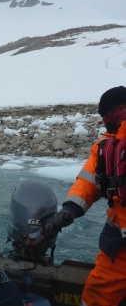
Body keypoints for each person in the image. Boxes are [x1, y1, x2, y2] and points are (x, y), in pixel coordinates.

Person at [28, 86, 126, 306]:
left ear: (121, 110)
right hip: (118, 243)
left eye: (107, 116)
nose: (104, 122)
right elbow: (88, 183)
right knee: (96, 296)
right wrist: (66, 213)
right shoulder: (105, 146)